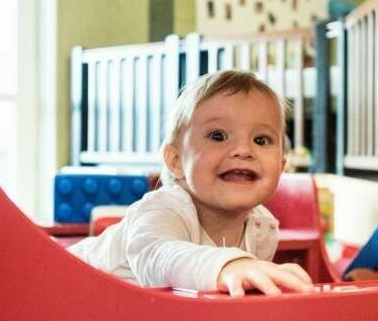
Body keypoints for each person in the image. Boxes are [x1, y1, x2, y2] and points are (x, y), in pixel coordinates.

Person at [68, 70, 314, 297]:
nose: (243, 150)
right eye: (218, 136)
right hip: (61, 292)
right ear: (176, 161)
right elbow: (158, 259)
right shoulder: (164, 209)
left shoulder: (263, 227)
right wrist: (230, 266)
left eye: (261, 139)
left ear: (281, 166)